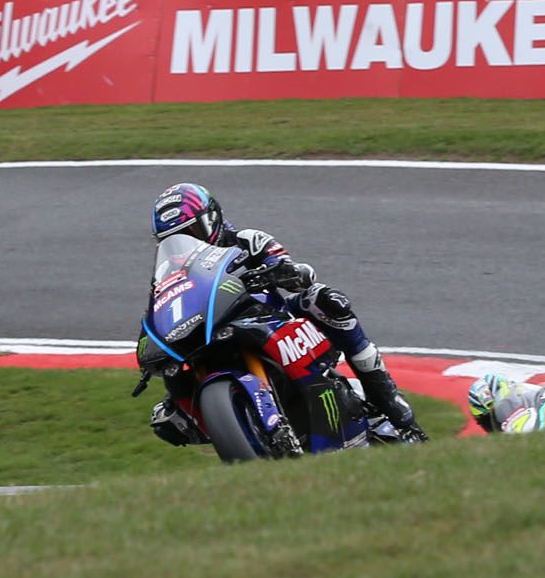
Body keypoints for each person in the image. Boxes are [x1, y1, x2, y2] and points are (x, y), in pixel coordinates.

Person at [145, 182, 424, 448]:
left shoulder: (247, 240)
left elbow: (290, 268)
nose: (189, 242)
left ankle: (395, 409)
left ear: (213, 219)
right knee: (168, 404)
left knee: (326, 301)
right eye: (173, 239)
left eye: (193, 231)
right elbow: (158, 309)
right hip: (212, 329)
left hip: (268, 313)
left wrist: (284, 271)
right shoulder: (166, 276)